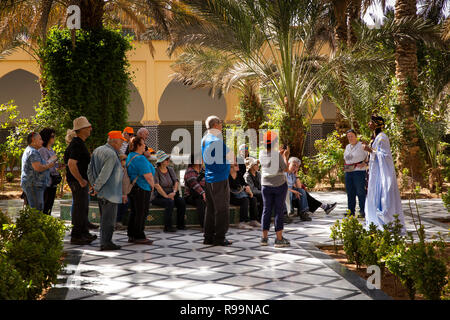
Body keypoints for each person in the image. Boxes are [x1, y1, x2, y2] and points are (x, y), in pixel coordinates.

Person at [362, 115, 405, 233]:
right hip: (374, 173)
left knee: (383, 197)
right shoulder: (375, 138)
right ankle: (374, 223)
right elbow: (374, 155)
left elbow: (385, 156)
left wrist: (369, 150)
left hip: (382, 174)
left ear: (377, 124)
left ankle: (386, 223)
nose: (369, 124)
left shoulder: (383, 137)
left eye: (371, 122)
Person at [88, 131, 126, 251]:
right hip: (110, 193)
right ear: (114, 141)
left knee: (104, 219)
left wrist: (94, 186)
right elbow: (105, 173)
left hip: (102, 192)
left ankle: (105, 242)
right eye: (121, 142)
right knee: (108, 221)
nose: (121, 145)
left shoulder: (98, 150)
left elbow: (89, 170)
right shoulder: (111, 154)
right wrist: (97, 187)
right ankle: (106, 243)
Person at [64, 116, 97, 245]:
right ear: (82, 129)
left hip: (80, 181)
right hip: (77, 182)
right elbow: (72, 164)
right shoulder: (77, 144)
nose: (91, 129)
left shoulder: (79, 143)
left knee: (83, 208)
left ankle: (83, 233)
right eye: (88, 127)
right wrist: (81, 180)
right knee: (79, 208)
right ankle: (77, 235)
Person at [201, 115, 233, 246]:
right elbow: (230, 155)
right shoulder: (216, 140)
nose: (222, 126)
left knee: (210, 209)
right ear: (215, 125)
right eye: (220, 124)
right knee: (222, 209)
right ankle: (219, 237)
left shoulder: (204, 139)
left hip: (209, 178)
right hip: (219, 178)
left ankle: (208, 237)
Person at [259, 131, 290, 248]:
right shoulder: (277, 155)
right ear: (274, 142)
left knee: (266, 210)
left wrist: (279, 155)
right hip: (279, 185)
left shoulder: (261, 153)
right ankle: (279, 239)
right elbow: (285, 169)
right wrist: (285, 156)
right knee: (279, 211)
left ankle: (264, 238)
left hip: (265, 185)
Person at [126, 136, 156, 244]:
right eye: (143, 144)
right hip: (142, 187)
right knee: (141, 212)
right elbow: (148, 176)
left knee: (135, 211)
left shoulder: (131, 156)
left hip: (134, 188)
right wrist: (153, 186)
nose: (145, 146)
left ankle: (132, 234)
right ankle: (139, 235)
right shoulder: (140, 158)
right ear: (138, 145)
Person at [152, 150, 186, 232]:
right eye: (166, 159)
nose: (168, 161)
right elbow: (157, 185)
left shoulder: (170, 169)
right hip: (159, 195)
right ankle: (167, 226)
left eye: (168, 159)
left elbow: (176, 181)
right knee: (169, 202)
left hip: (172, 193)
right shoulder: (156, 171)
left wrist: (174, 193)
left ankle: (180, 224)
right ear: (161, 162)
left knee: (181, 201)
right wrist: (166, 196)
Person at [21, 132, 54, 211]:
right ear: (33, 140)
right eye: (40, 139)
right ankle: (36, 224)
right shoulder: (33, 152)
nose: (42, 141)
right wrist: (48, 166)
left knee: (36, 208)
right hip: (34, 185)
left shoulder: (30, 150)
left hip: (34, 184)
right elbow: (37, 167)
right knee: (37, 209)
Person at [38, 128, 64, 215]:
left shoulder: (51, 150)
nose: (54, 138)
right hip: (45, 182)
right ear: (47, 137)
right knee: (45, 206)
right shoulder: (42, 150)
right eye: (52, 136)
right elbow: (44, 165)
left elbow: (53, 165)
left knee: (50, 205)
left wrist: (59, 165)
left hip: (52, 181)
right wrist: (52, 161)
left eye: (54, 136)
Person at [344, 129, 368, 218]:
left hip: (359, 171)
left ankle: (363, 211)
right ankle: (351, 211)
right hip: (348, 170)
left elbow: (369, 154)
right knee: (350, 192)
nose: (350, 138)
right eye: (348, 136)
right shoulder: (347, 146)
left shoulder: (361, 145)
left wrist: (366, 163)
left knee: (360, 191)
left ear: (356, 136)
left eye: (352, 136)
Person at [229, 162, 261, 229]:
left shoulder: (239, 174)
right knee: (245, 200)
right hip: (231, 197)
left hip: (240, 195)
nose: (238, 166)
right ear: (230, 167)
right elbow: (231, 187)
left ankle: (253, 220)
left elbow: (244, 183)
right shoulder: (227, 176)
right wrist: (241, 187)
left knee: (253, 199)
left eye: (237, 164)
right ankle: (242, 222)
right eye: (235, 165)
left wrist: (247, 187)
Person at [184, 154, 206, 229]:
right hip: (190, 196)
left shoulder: (203, 170)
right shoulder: (189, 171)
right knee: (201, 201)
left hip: (202, 194)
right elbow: (195, 185)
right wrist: (203, 193)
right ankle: (204, 226)